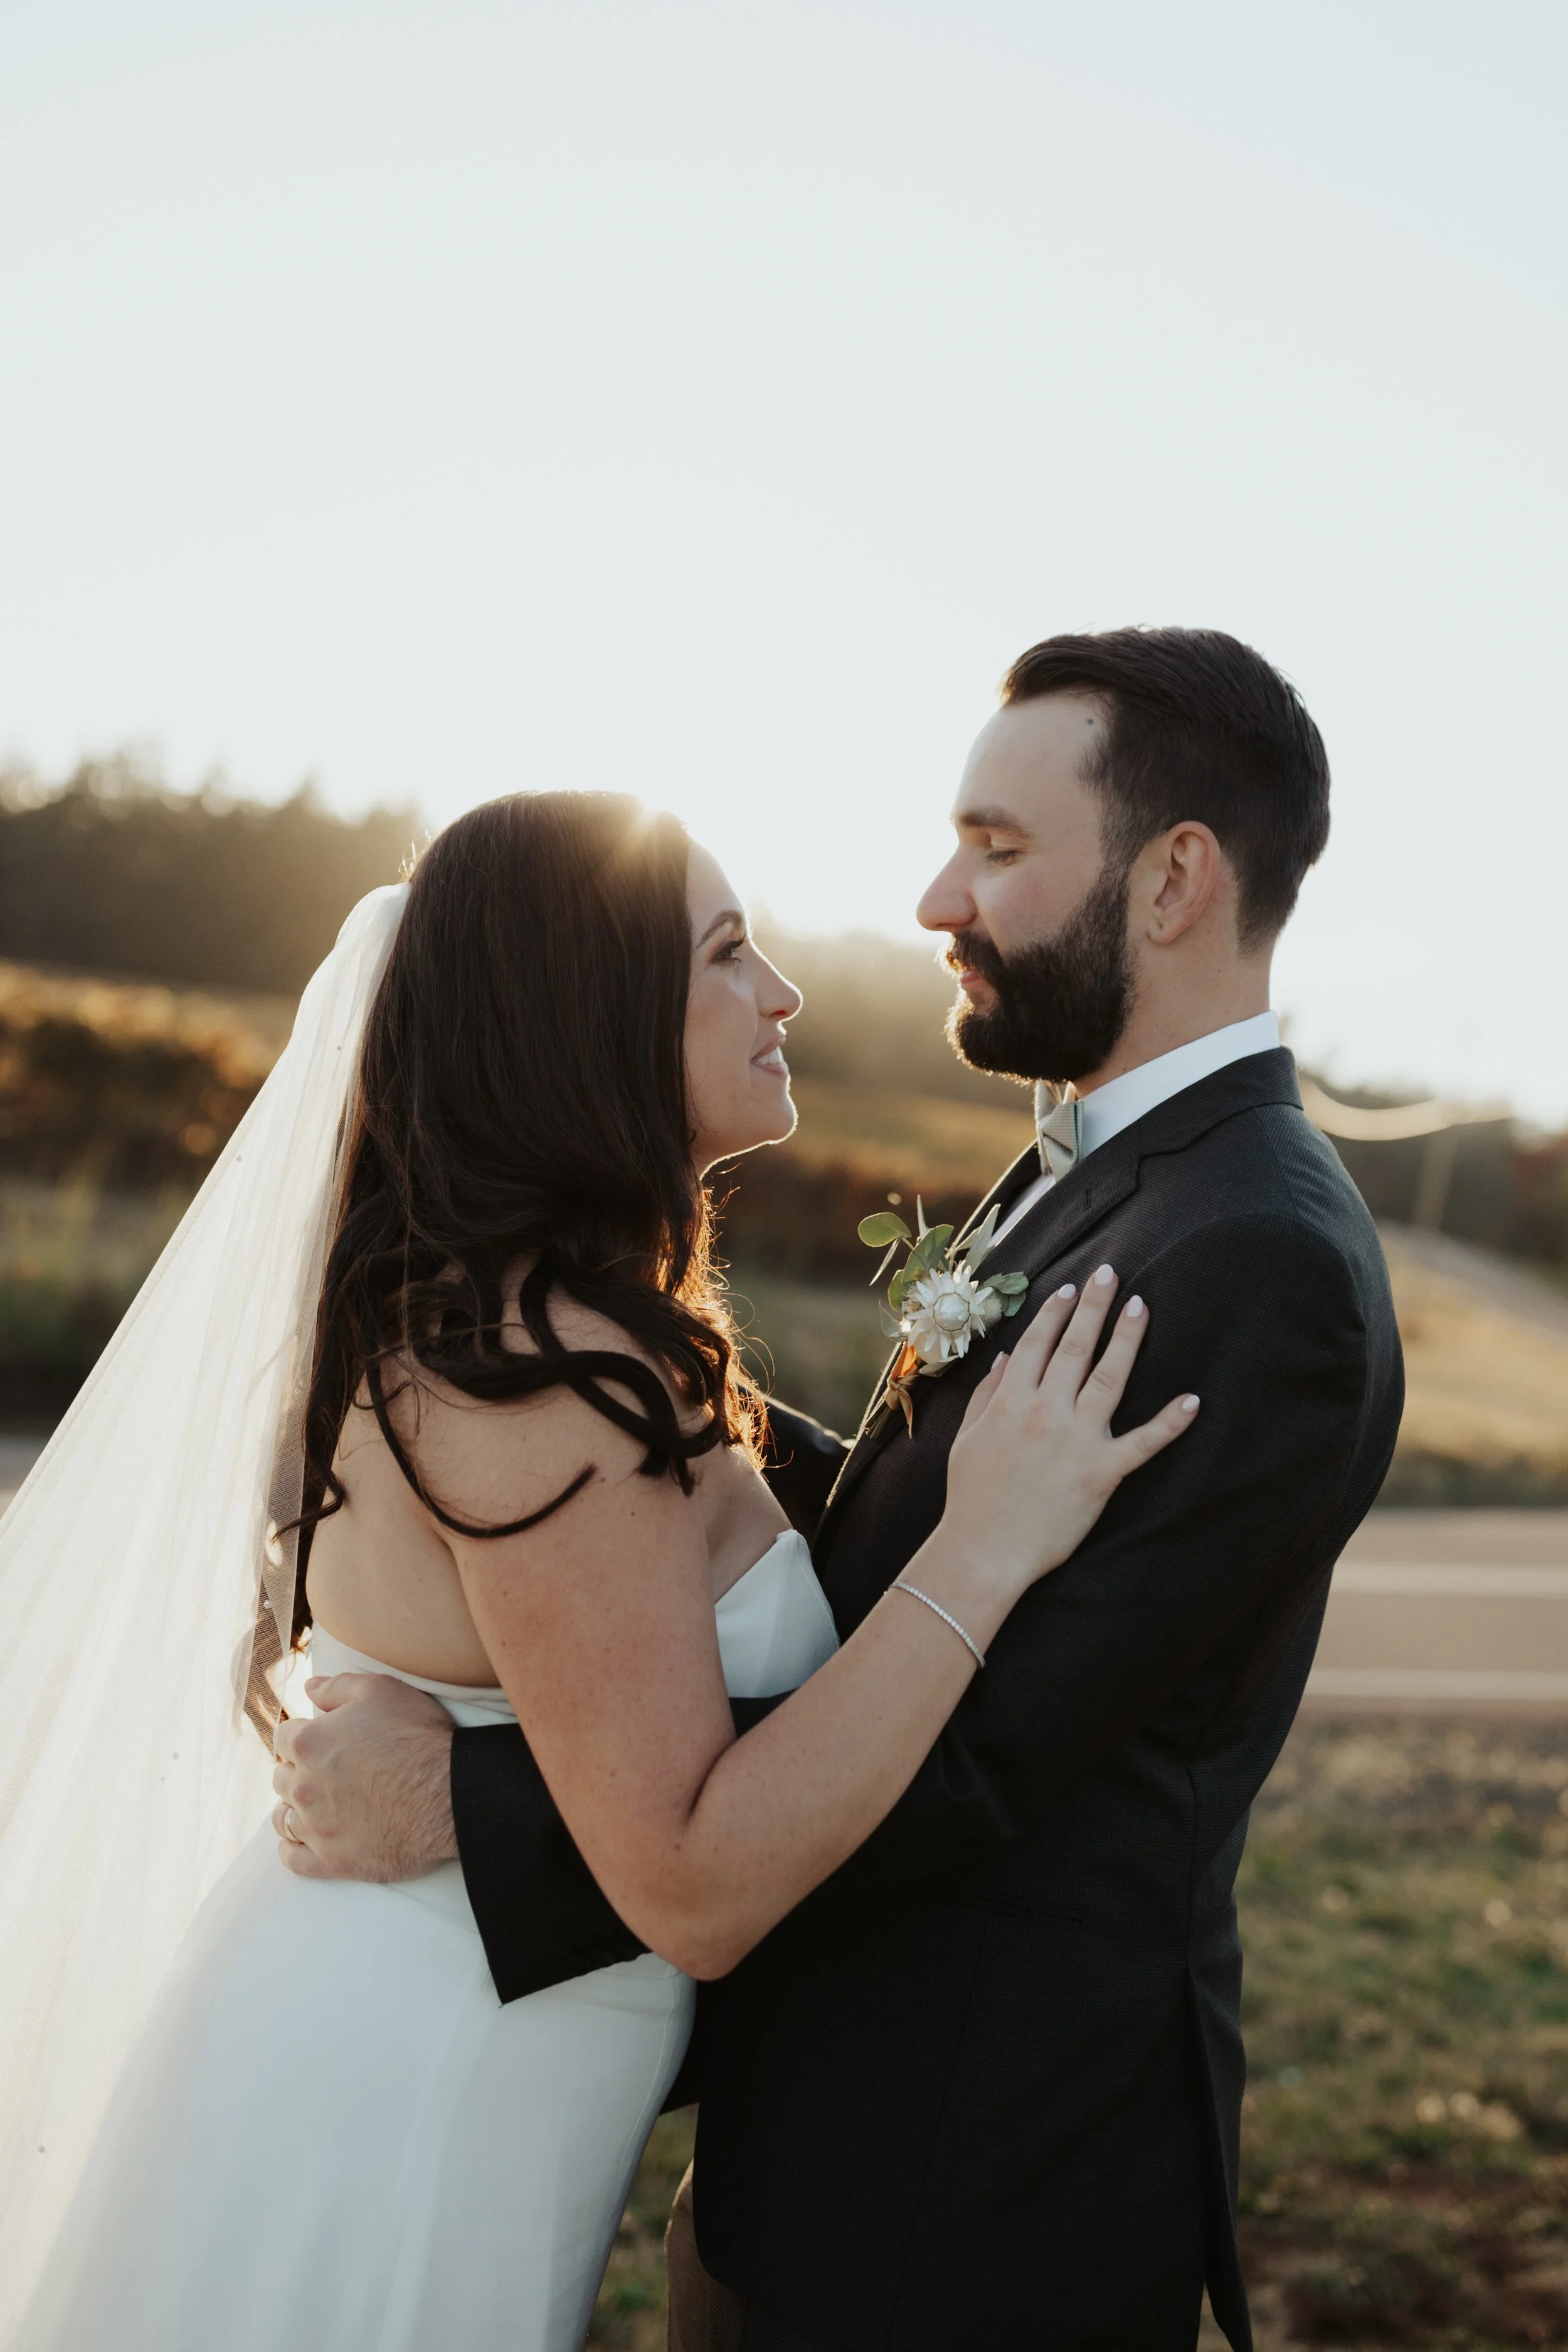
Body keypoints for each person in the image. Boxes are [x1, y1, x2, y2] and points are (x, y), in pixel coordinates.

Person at [283, 627, 1405, 2352]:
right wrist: (695, 1430)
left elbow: (981, 1744)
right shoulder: (1114, 1170)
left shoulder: (1255, 1249)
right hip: (832, 2152)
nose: (935, 895)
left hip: (965, 2197)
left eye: (1000, 845)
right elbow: (919, 1520)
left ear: (1176, 876)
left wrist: (475, 1810)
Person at [0, 790, 1193, 2352]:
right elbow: (691, 1881)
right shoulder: (547, 1371)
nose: (781, 992)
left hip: (431, 2047)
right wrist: (982, 1550)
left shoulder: (524, 1318)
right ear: (586, 1021)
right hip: (412, 2098)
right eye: (724, 953)